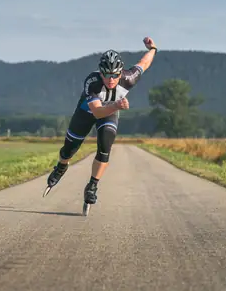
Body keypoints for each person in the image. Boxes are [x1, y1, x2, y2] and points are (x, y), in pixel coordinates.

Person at [43, 36, 158, 207]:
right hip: (87, 111)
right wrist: (117, 105)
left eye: (114, 75)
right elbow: (96, 111)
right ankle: (61, 166)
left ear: (121, 73)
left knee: (105, 147)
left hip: (110, 111)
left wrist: (153, 49)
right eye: (106, 75)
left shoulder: (129, 78)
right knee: (69, 149)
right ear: (100, 72)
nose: (111, 79)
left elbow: (144, 64)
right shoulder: (93, 82)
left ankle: (92, 186)